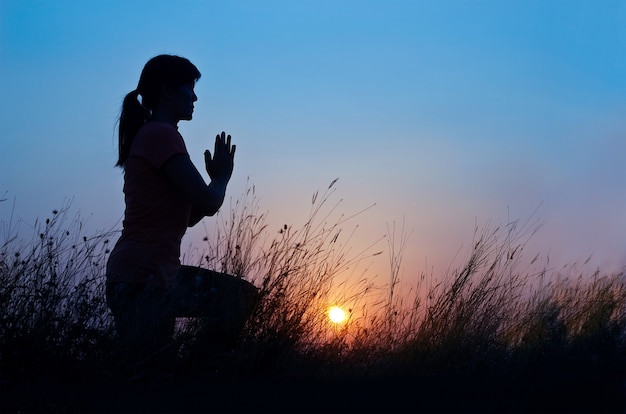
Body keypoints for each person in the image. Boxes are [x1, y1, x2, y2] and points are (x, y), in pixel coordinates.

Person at [105, 54, 256, 378]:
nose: (195, 97)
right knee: (149, 378)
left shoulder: (153, 136)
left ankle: (195, 378)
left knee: (151, 376)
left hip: (147, 276)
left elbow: (187, 216)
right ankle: (201, 376)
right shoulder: (161, 135)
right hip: (140, 280)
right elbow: (209, 201)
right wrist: (221, 178)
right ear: (168, 90)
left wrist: (209, 186)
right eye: (190, 87)